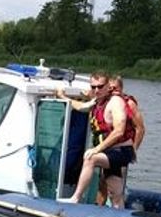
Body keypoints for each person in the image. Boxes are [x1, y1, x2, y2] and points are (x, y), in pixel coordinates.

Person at [57, 72, 137, 209]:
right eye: (93, 87)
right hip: (111, 152)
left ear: (108, 87)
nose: (96, 90)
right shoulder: (97, 102)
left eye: (100, 87)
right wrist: (62, 97)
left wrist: (97, 149)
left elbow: (119, 131)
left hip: (121, 151)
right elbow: (81, 107)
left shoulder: (115, 102)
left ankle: (75, 198)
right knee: (115, 194)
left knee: (90, 158)